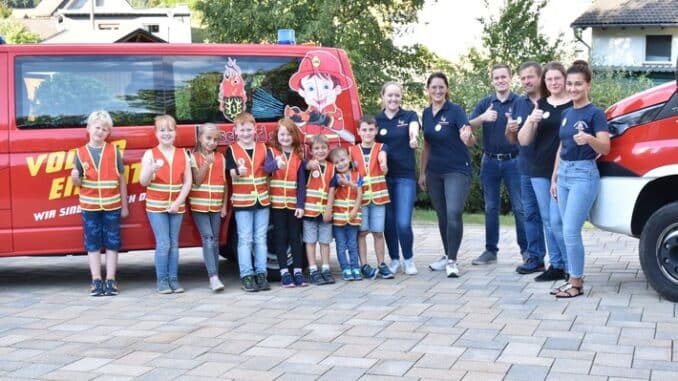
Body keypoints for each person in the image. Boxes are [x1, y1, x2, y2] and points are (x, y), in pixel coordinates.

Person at [550, 60, 610, 298]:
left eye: (578, 84)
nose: (573, 88)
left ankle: (576, 284)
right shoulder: (566, 113)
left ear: (588, 85)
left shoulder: (596, 113)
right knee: (565, 229)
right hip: (563, 173)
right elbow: (561, 147)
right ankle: (573, 277)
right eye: (570, 84)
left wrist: (589, 139)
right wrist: (554, 177)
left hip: (583, 175)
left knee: (571, 231)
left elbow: (605, 147)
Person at [518, 62, 572, 282]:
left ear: (564, 79)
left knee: (559, 220)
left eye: (557, 78)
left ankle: (570, 266)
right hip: (539, 169)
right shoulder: (541, 105)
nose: (553, 83)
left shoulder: (573, 105)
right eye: (549, 80)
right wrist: (531, 120)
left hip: (565, 170)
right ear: (545, 82)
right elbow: (523, 140)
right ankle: (556, 265)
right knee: (547, 219)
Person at [469, 63, 527, 265]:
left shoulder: (520, 102)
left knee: (520, 208)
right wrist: (482, 118)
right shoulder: (485, 103)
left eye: (504, 77)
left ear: (511, 79)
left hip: (515, 161)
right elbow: (467, 126)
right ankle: (490, 251)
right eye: (497, 77)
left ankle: (526, 252)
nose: (500, 80)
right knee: (491, 207)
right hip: (490, 161)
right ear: (492, 80)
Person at [419, 73, 475, 278]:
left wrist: (467, 137)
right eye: (433, 87)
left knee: (454, 212)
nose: (437, 91)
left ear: (447, 89)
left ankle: (452, 260)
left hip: (457, 169)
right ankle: (446, 255)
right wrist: (422, 172)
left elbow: (469, 137)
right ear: (428, 89)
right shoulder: (425, 113)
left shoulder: (456, 110)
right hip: (434, 172)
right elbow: (426, 145)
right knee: (442, 214)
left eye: (441, 87)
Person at [71, 110, 129, 296]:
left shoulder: (114, 151)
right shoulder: (79, 153)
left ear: (108, 133)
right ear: (88, 129)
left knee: (113, 243)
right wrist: (74, 178)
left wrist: (125, 206)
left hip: (112, 205)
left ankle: (111, 279)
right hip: (90, 207)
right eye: (97, 127)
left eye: (105, 129)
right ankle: (96, 279)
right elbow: (78, 182)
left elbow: (121, 179)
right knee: (92, 243)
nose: (100, 131)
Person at [140, 115, 192, 294]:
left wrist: (178, 203)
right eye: (162, 130)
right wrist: (150, 170)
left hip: (176, 206)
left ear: (175, 132)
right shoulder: (150, 154)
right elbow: (143, 182)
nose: (166, 133)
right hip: (156, 206)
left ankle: (174, 279)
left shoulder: (182, 154)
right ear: (156, 133)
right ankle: (162, 280)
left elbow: (187, 182)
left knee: (174, 243)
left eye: (170, 130)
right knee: (163, 243)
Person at [506, 62, 547, 274]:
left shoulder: (551, 100)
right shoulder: (518, 104)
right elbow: (514, 140)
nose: (526, 81)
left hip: (550, 169)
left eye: (530, 77)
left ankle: (561, 261)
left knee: (551, 216)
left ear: (540, 77)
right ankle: (535, 258)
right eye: (522, 78)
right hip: (526, 167)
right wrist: (510, 130)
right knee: (530, 213)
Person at [375, 81, 420, 275]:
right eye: (390, 95)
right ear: (383, 97)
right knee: (388, 222)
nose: (393, 99)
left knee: (403, 222)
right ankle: (394, 259)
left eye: (397, 95)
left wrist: (413, 138)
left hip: (405, 177)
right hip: (382, 178)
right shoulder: (376, 120)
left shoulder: (409, 115)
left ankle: (408, 259)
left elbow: (413, 128)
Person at [226, 112, 271, 292]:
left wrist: (276, 166)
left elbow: (268, 169)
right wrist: (238, 171)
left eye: (249, 129)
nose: (246, 133)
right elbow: (230, 171)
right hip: (243, 202)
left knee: (260, 239)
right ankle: (246, 275)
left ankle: (261, 274)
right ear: (235, 131)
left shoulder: (263, 148)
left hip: (262, 200)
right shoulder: (231, 149)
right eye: (242, 130)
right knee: (245, 239)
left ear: (255, 130)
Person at [265, 118, 308, 288]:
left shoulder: (298, 157)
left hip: (293, 206)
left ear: (294, 136)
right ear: (277, 135)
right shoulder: (272, 152)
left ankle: (297, 272)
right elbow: (266, 169)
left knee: (295, 239)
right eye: (282, 134)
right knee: (280, 238)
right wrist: (276, 164)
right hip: (277, 205)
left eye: (289, 134)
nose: (285, 137)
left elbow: (301, 185)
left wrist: (300, 205)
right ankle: (284, 273)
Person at [350, 115, 394, 279]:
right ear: (358, 132)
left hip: (378, 197)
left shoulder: (382, 147)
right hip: (360, 199)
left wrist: (384, 165)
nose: (368, 133)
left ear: (376, 131)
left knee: (378, 232)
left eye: (371, 130)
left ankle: (382, 264)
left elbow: (384, 165)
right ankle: (364, 265)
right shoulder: (352, 151)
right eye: (364, 130)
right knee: (362, 233)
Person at [189, 123, 228, 292]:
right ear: (200, 138)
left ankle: (215, 276)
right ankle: (213, 277)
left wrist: (224, 206)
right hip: (199, 206)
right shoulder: (194, 157)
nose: (212, 142)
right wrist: (206, 164)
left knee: (215, 240)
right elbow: (197, 180)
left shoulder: (221, 158)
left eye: (215, 139)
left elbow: (225, 184)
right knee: (208, 238)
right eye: (208, 138)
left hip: (216, 206)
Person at [324, 147, 363, 281]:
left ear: (349, 159)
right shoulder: (336, 178)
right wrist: (346, 182)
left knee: (352, 244)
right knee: (341, 245)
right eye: (336, 162)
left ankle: (355, 267)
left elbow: (360, 193)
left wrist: (355, 209)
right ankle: (345, 269)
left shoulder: (358, 175)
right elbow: (338, 186)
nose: (341, 164)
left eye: (343, 160)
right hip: (339, 219)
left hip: (353, 217)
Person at [303, 134, 336, 285]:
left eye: (323, 148)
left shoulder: (332, 168)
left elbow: (333, 189)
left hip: (325, 213)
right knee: (310, 241)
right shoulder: (308, 166)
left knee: (324, 241)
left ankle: (325, 268)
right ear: (311, 151)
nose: (320, 151)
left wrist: (329, 209)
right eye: (316, 148)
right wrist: (307, 165)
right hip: (309, 212)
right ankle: (313, 269)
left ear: (328, 149)